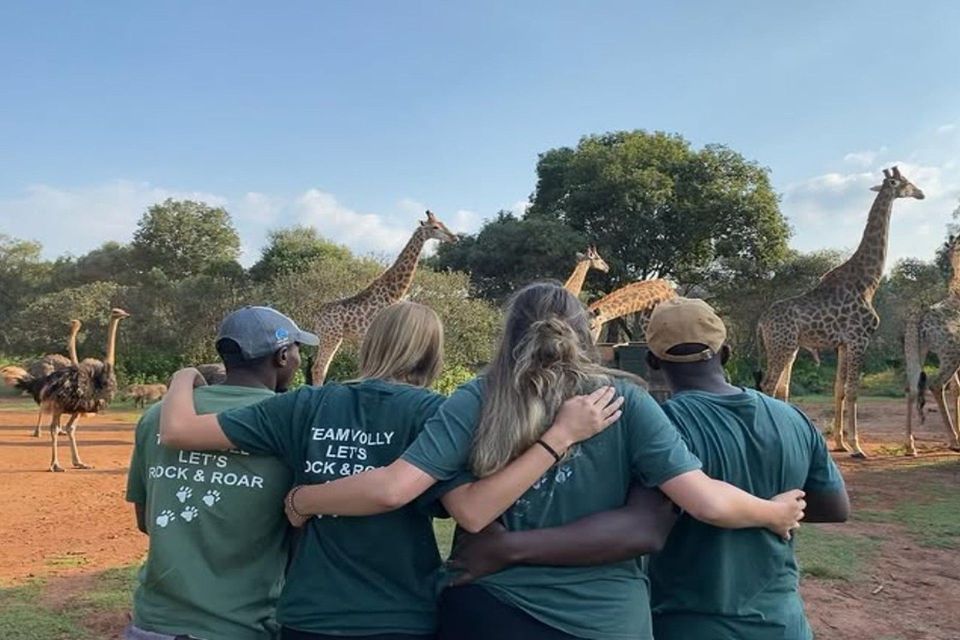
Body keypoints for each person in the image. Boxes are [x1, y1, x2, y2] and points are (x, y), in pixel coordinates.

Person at [258, 281, 807, 640]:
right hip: (605, 622)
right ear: (585, 333)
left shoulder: (475, 397)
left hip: (489, 611)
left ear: (509, 332)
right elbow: (706, 501)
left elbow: (462, 510)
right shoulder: (626, 399)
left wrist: (302, 500)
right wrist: (771, 513)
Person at [158, 301, 622, 640]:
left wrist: (184, 377)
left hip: (310, 614)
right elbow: (470, 508)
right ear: (431, 353)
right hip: (399, 614)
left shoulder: (305, 404)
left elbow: (178, 431)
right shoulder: (439, 414)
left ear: (371, 343)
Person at [643, 297, 850, 640]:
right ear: (725, 351)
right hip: (784, 623)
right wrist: (776, 507)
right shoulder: (793, 418)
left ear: (652, 361)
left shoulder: (658, 427)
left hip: (689, 624)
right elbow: (835, 507)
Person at [125, 305, 318, 640]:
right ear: (283, 355)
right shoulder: (291, 424)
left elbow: (146, 520)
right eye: (298, 350)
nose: (299, 360)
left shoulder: (159, 416)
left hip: (153, 625)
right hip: (242, 626)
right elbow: (299, 536)